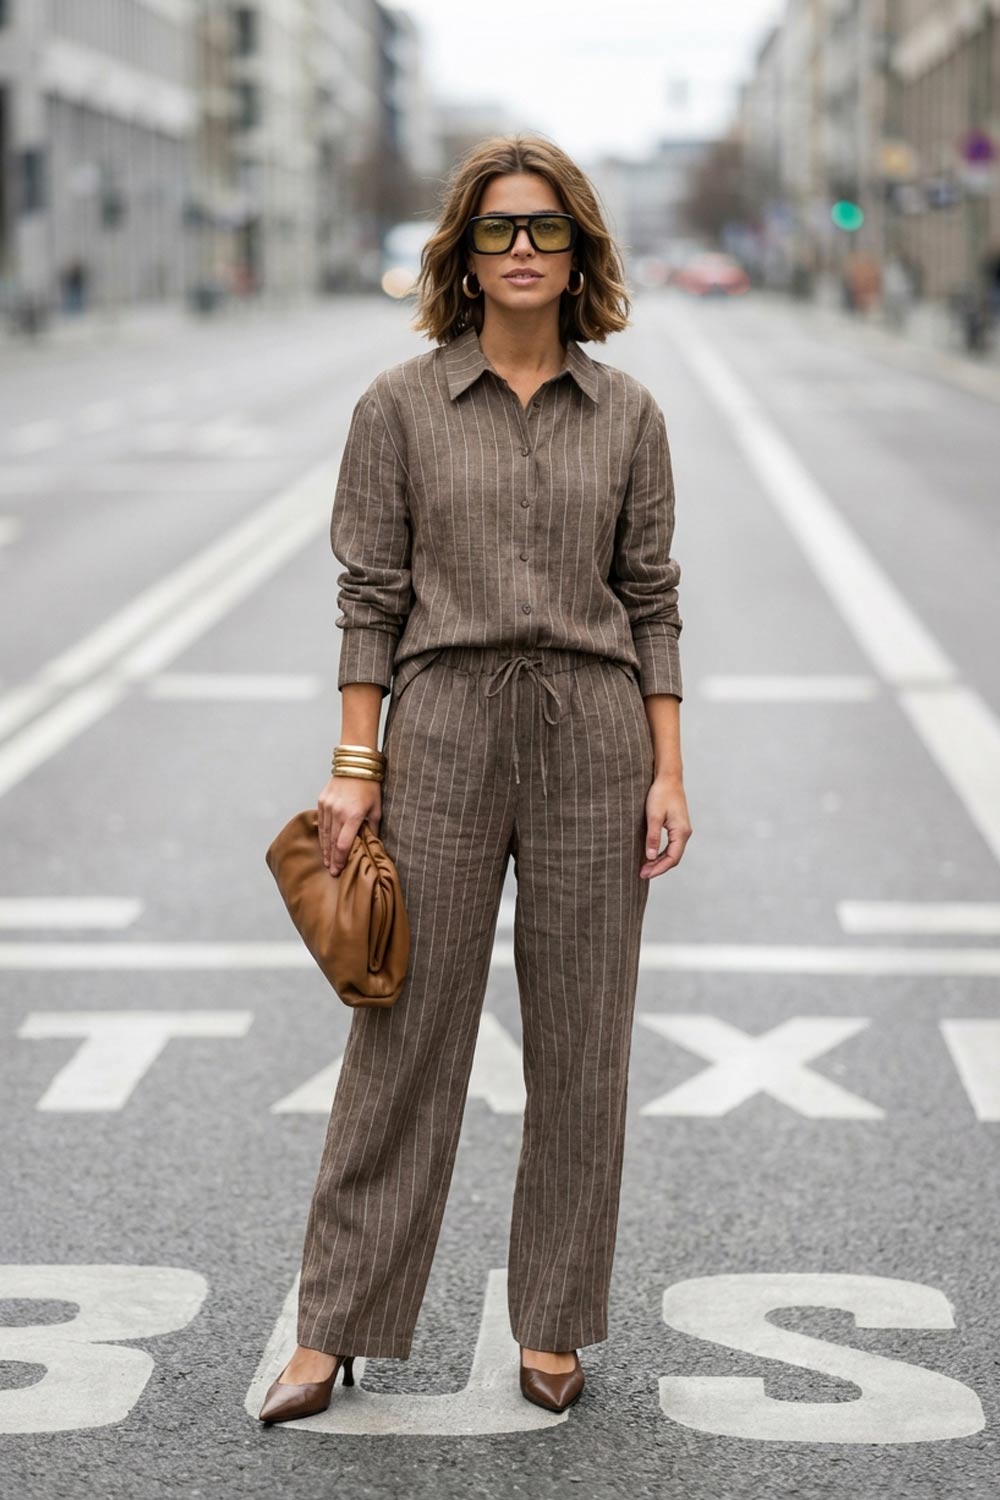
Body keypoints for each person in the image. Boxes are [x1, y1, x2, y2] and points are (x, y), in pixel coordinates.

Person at [258, 132, 692, 1426]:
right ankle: (332, 1329)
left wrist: (668, 771)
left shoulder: (629, 416)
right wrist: (354, 765)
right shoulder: (395, 408)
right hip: (441, 730)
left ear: (577, 258)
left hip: (592, 737)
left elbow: (653, 601)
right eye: (498, 229)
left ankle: (553, 1325)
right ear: (463, 252)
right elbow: (369, 600)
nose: (519, 250)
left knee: (580, 1047)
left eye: (543, 231)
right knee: (402, 1035)